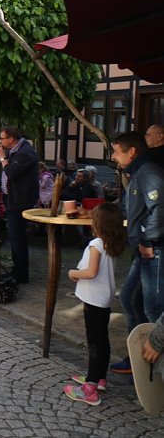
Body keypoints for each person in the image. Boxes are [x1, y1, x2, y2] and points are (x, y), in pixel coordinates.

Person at [109, 131, 164, 375]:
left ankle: (155, 365)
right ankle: (138, 359)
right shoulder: (137, 173)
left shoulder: (148, 171)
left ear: (132, 152)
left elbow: (160, 207)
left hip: (155, 251)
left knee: (153, 307)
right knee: (130, 298)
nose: (113, 156)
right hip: (143, 250)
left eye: (116, 151)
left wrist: (149, 240)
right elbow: (132, 207)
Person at [62, 203, 126, 406]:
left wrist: (73, 273)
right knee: (102, 340)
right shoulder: (111, 242)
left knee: (95, 343)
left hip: (94, 299)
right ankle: (99, 377)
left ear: (99, 223)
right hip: (103, 299)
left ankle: (90, 387)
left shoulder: (97, 243)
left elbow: (91, 272)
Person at [0, 126, 39, 284]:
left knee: (17, 237)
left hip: (20, 200)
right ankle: (17, 269)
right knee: (14, 236)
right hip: (12, 197)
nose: (0, 141)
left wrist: (1, 157)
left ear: (11, 139)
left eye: (2, 138)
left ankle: (21, 273)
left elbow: (11, 172)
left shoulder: (26, 152)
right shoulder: (17, 151)